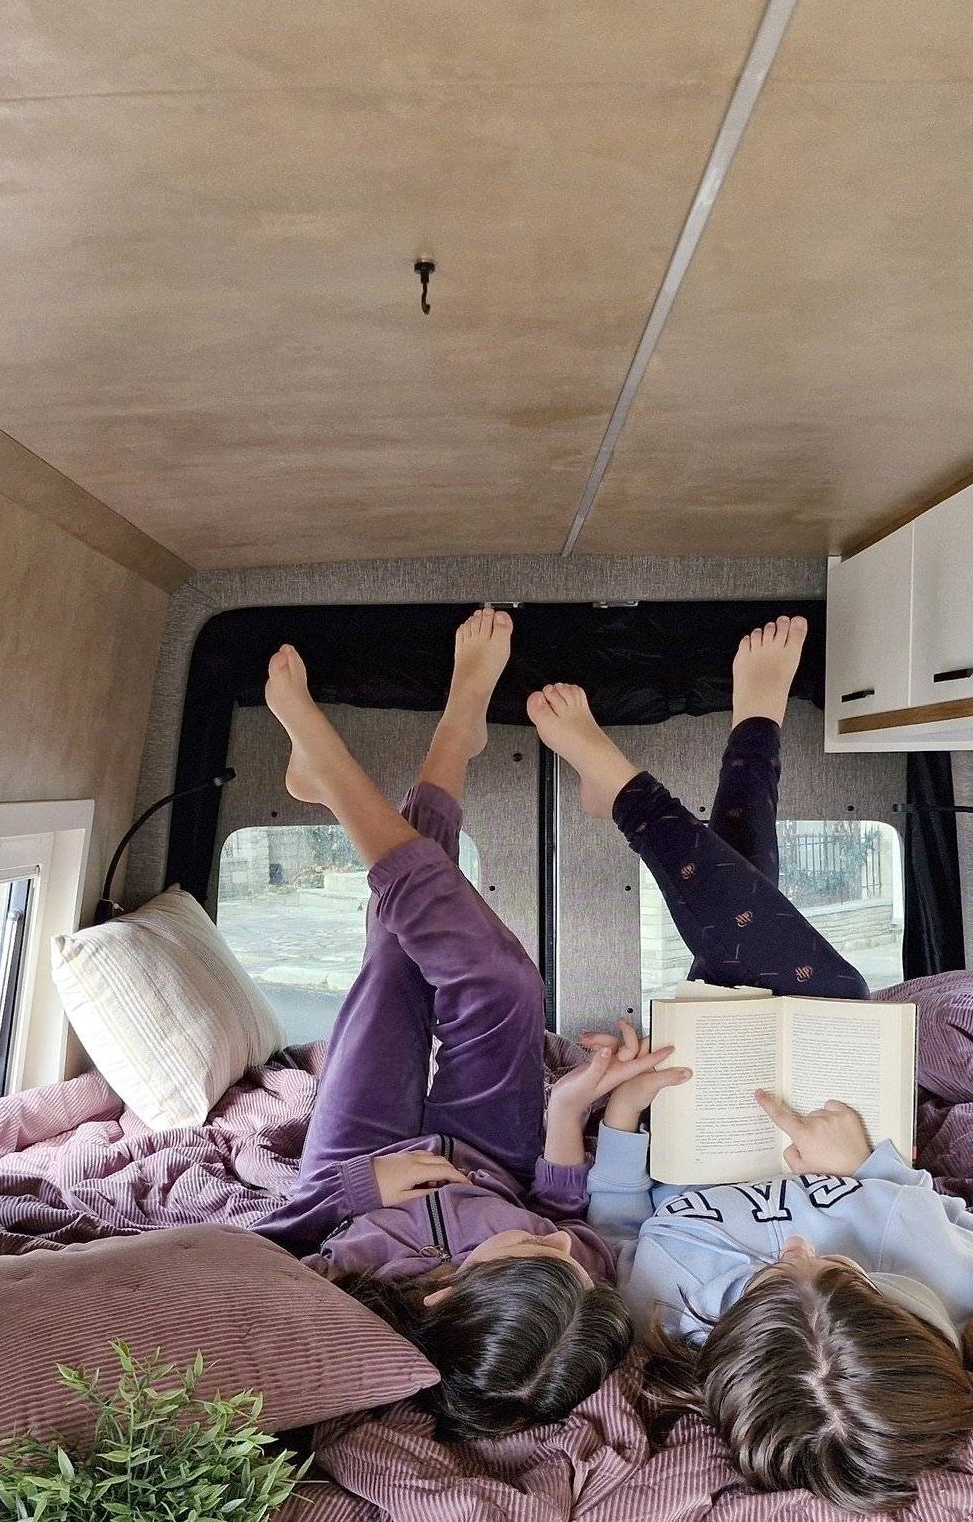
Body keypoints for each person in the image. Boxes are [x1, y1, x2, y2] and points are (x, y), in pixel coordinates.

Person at [524, 617, 973, 1513]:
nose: (796, 1244)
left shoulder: (665, 1314)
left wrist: (621, 1120)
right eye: (844, 1271)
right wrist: (871, 1171)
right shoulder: (954, 1288)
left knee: (752, 947)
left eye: (772, 1277)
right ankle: (654, 777)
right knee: (805, 973)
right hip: (832, 1105)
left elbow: (619, 1230)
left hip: (700, 1113)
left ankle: (732, 741)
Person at [269, 610, 676, 1441]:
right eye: (567, 1262)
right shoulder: (570, 1279)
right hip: (493, 1158)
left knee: (395, 960)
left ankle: (405, 751)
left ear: (443, 1292)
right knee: (506, 983)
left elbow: (262, 1240)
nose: (559, 1246)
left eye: (533, 1250)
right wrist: (568, 1113)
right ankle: (403, 750)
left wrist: (359, 1190)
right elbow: (561, 1212)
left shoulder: (349, 1281)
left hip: (359, 1163)